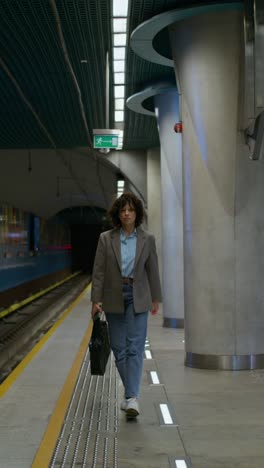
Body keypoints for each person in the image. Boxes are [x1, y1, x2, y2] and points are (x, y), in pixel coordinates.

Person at [91, 191, 162, 419]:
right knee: (119, 348)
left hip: (138, 295)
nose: (127, 213)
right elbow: (99, 272)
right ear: (118, 214)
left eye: (131, 210)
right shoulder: (106, 238)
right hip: (114, 296)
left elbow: (153, 270)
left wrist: (156, 298)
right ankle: (131, 396)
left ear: (137, 213)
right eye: (123, 210)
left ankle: (132, 398)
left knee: (135, 347)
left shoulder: (147, 239)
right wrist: (95, 300)